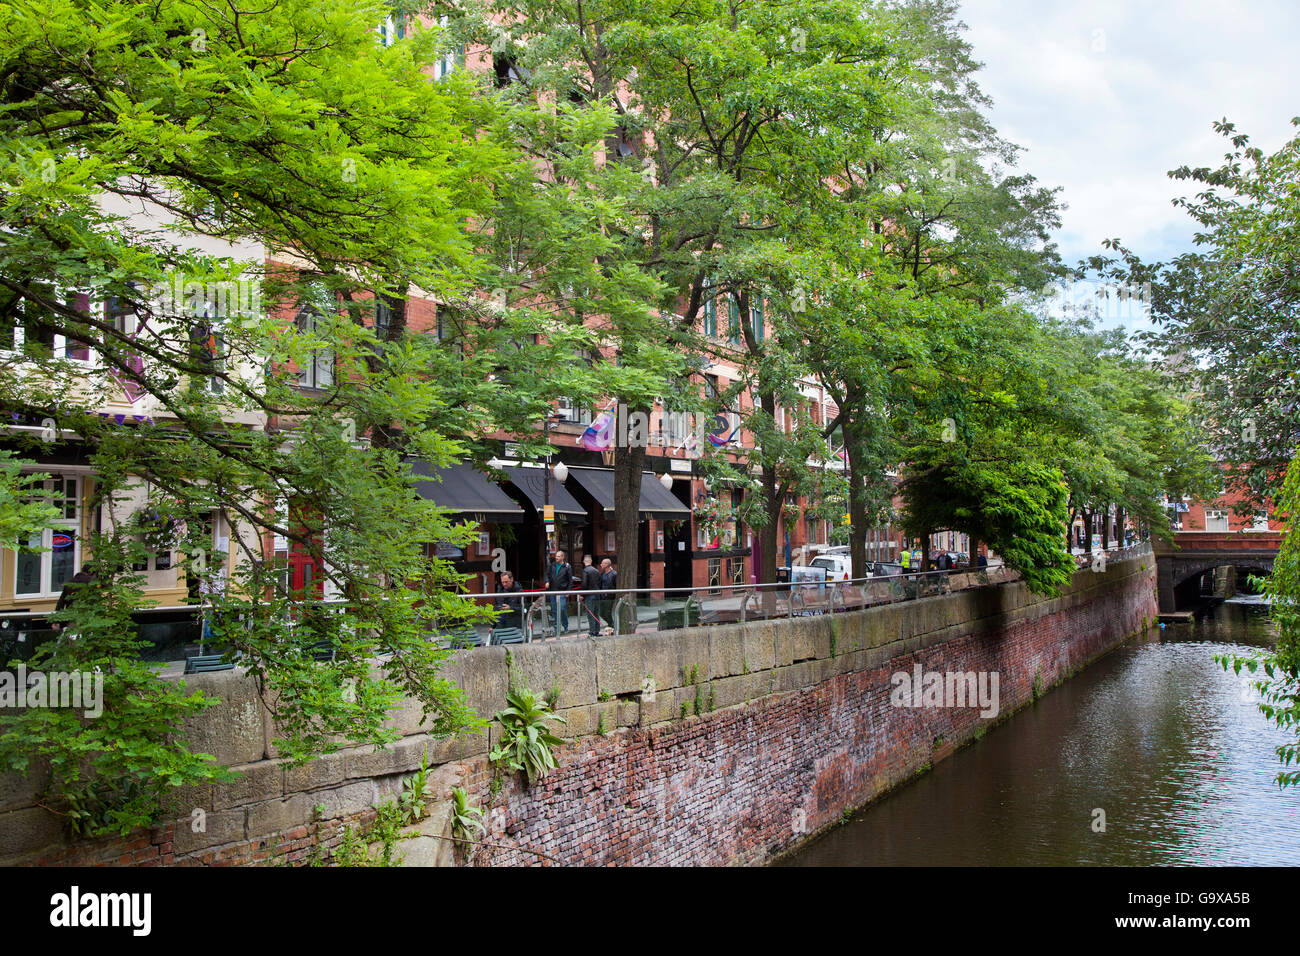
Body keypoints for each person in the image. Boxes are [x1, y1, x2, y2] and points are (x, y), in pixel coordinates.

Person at [53, 563, 97, 633]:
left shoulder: (70, 582)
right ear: (91, 572)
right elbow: (106, 586)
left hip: (71, 617)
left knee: (73, 639)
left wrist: (56, 620)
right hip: (87, 616)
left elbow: (61, 602)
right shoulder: (91, 581)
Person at [545, 549, 572, 634]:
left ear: (562, 557)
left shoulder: (567, 567)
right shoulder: (552, 565)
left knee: (562, 608)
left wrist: (568, 591)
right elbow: (547, 575)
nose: (556, 557)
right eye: (556, 556)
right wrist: (547, 581)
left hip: (562, 591)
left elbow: (570, 580)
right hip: (553, 591)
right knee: (554, 610)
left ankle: (565, 625)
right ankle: (557, 628)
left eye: (558, 556)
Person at [580, 555, 602, 636]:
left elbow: (584, 584)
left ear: (583, 562)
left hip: (589, 595)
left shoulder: (585, 571)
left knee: (590, 614)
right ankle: (597, 630)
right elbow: (600, 582)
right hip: (597, 594)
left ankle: (592, 631)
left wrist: (582, 594)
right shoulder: (596, 571)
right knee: (596, 613)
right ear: (591, 561)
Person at [598, 558, 618, 633]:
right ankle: (611, 624)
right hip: (602, 596)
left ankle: (612, 625)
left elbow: (615, 586)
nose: (601, 565)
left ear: (607, 565)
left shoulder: (614, 574)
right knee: (601, 612)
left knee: (607, 612)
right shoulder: (602, 574)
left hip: (609, 597)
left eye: (602, 563)